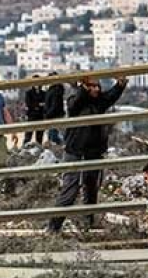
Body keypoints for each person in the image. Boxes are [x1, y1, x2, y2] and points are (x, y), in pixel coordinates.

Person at [47, 75, 128, 234]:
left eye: (97, 86)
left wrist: (120, 84)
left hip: (93, 152)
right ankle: (53, 227)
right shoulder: (75, 100)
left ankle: (88, 224)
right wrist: (83, 88)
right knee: (70, 191)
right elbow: (76, 102)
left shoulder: (99, 102)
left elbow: (111, 96)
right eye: (91, 86)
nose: (96, 89)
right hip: (75, 152)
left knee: (91, 190)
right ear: (84, 87)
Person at [44, 72, 66, 145]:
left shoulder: (55, 90)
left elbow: (54, 105)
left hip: (54, 116)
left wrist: (47, 114)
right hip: (53, 116)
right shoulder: (55, 89)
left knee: (53, 138)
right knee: (53, 137)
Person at [23, 76, 46, 145]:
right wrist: (39, 105)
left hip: (41, 117)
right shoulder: (28, 93)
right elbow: (29, 104)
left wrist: (36, 105)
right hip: (31, 117)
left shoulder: (44, 93)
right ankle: (24, 148)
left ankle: (38, 150)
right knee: (28, 136)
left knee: (39, 137)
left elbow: (45, 104)